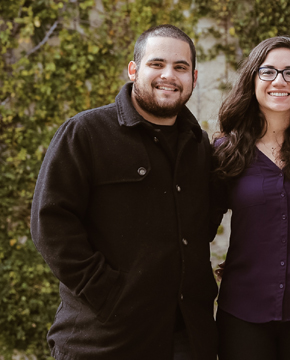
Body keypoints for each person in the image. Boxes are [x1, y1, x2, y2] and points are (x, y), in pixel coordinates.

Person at [30, 25, 218, 360]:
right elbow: (51, 223)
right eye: (156, 64)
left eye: (180, 67)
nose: (168, 76)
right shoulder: (85, 133)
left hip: (187, 338)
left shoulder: (199, 145)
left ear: (194, 77)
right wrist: (109, 294)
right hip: (104, 340)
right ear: (134, 70)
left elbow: (204, 223)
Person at [211, 36, 290, 360]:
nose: (279, 81)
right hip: (243, 315)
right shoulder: (226, 152)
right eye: (267, 72)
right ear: (252, 79)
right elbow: (196, 224)